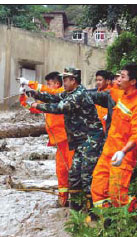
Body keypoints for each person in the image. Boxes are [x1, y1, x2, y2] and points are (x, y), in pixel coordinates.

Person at [28, 67, 104, 211]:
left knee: (87, 177)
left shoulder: (78, 95)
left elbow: (59, 107)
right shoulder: (70, 93)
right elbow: (55, 97)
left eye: (65, 80)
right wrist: (33, 93)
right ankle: (75, 210)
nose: (63, 82)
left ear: (73, 80)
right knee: (74, 175)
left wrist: (38, 105)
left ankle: (93, 211)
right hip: (80, 141)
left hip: (90, 140)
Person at [90, 64, 137, 210]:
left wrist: (123, 152)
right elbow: (106, 92)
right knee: (97, 190)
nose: (118, 80)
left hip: (123, 156)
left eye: (122, 77)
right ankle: (107, 221)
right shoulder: (121, 95)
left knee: (117, 195)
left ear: (133, 81)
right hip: (108, 151)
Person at [18, 72, 75, 207]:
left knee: (72, 169)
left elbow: (49, 92)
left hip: (69, 140)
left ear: (57, 84)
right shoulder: (48, 100)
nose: (48, 86)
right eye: (48, 84)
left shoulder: (63, 94)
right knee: (61, 170)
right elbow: (30, 108)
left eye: (50, 83)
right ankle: (63, 199)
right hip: (59, 142)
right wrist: (23, 95)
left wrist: (30, 84)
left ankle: (77, 200)